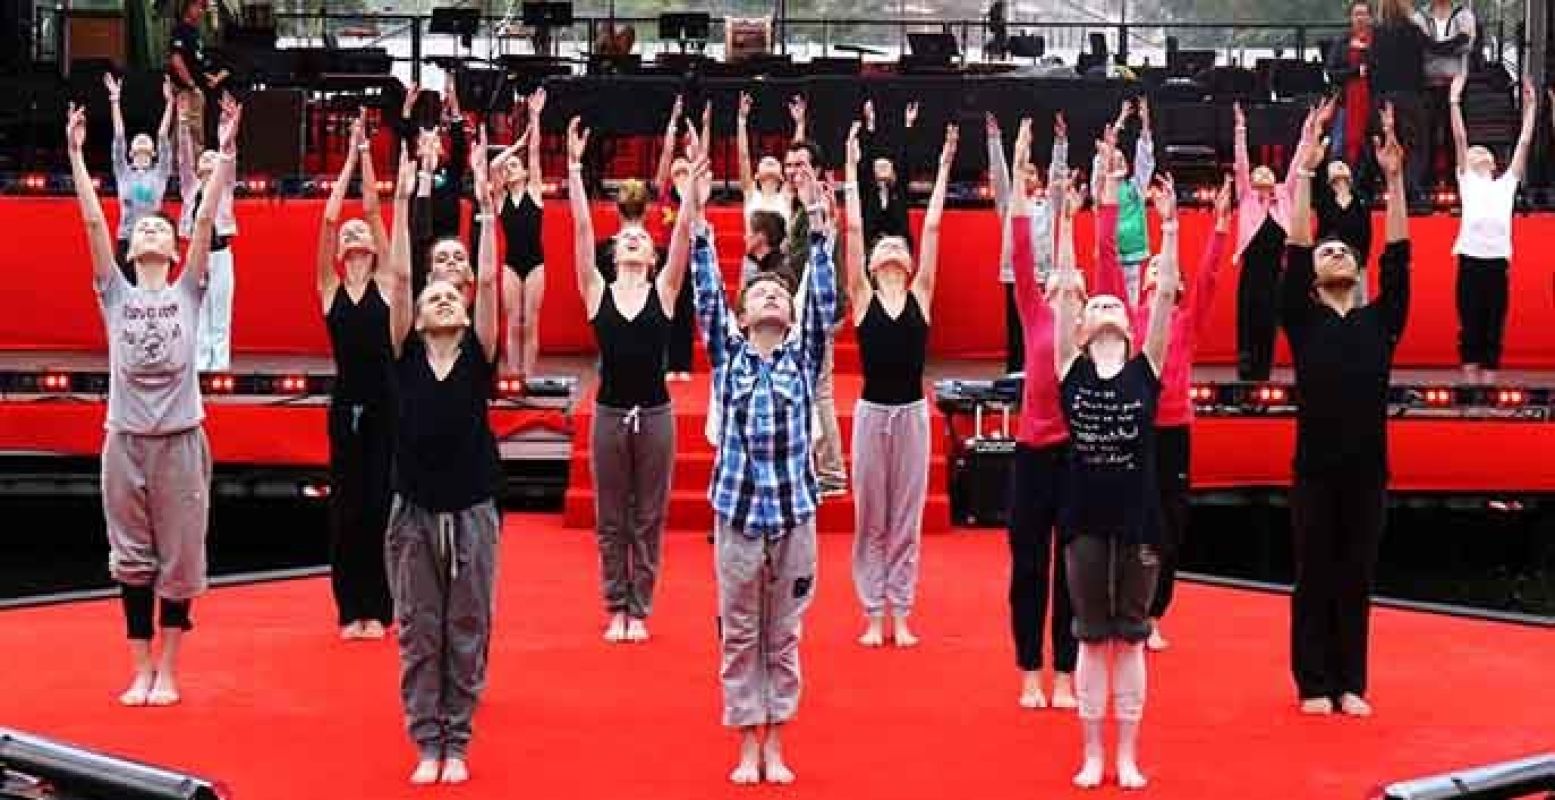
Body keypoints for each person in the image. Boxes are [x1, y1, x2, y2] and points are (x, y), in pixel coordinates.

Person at [66, 95, 239, 706]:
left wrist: (224, 146)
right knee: (131, 558)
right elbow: (93, 224)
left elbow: (207, 209)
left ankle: (169, 668)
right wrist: (75, 156)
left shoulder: (190, 288)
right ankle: (139, 668)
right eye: (142, 227)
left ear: (172, 246)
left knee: (180, 557)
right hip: (125, 440)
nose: (149, 231)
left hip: (181, 440)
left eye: (160, 228)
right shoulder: (113, 292)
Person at [694, 157, 837, 786]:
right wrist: (698, 221)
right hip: (738, 515)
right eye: (760, 292)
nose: (773, 295)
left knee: (783, 635)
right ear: (744, 313)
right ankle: (743, 740)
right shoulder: (729, 357)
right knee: (739, 632)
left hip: (794, 515)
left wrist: (818, 224)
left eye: (781, 291)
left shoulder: (803, 357)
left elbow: (824, 302)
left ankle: (776, 740)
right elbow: (704, 298)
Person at [1050, 140, 1180, 792]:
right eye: (1094, 308)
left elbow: (1161, 305)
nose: (1103, 308)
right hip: (1082, 522)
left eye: (1113, 306)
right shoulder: (1068, 371)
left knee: (1129, 636)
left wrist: (1172, 227)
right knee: (1089, 635)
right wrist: (1071, 218)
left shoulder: (1143, 370)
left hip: (1137, 522)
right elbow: (1069, 288)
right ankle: (1092, 752)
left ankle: (1126, 752)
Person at [383, 129, 504, 786]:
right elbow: (400, 276)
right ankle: (424, 741)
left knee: (465, 627)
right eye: (435, 296)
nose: (444, 297)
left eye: (451, 296)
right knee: (418, 631)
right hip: (413, 511)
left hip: (472, 509)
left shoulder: (477, 357)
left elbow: (484, 281)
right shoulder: (404, 352)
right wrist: (405, 198)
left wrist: (484, 207)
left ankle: (457, 740)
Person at [1282, 103, 1410, 718]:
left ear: (1358, 269)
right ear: (1312, 276)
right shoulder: (1304, 322)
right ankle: (1312, 682)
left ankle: (1351, 682)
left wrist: (1394, 182)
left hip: (1367, 470)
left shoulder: (1378, 322)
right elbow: (1294, 245)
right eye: (1325, 249)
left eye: (1343, 248)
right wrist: (1305, 171)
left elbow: (1401, 262)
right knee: (1314, 575)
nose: (1334, 251)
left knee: (1356, 576)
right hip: (1313, 469)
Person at [567, 116, 695, 644]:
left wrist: (691, 191)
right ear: (616, 251)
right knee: (611, 517)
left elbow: (685, 234)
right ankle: (614, 604)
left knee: (648, 516)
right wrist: (574, 168)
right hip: (611, 414)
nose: (636, 242)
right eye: (629, 238)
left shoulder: (664, 292)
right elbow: (578, 230)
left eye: (643, 239)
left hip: (657, 415)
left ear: (653, 253)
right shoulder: (596, 291)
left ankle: (639, 607)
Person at [1093, 175, 1233, 652]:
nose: (1157, 270)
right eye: (1152, 267)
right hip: (1132, 428)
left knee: (1169, 526)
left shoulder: (1185, 321)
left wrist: (1216, 228)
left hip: (1173, 429)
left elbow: (1211, 278)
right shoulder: (1128, 318)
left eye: (1164, 267)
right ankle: (1118, 605)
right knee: (1123, 519)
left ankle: (1152, 612)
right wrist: (1110, 198)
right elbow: (1107, 260)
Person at [843, 120, 955, 648]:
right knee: (871, 516)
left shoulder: (922, 295)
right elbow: (853, 231)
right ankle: (871, 611)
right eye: (883, 248)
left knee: (906, 517)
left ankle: (902, 611)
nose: (891, 250)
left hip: (911, 413)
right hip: (871, 414)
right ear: (871, 263)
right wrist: (849, 169)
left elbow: (930, 229)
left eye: (898, 248)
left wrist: (946, 167)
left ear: (909, 263)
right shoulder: (862, 297)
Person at [1002, 115, 1078, 710]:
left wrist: (1076, 214)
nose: (1067, 284)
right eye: (1060, 280)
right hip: (1032, 453)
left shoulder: (1097, 328)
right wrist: (1027, 195)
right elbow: (1026, 257)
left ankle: (1070, 673)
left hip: (1078, 457)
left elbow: (1097, 259)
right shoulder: (1035, 313)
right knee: (1029, 567)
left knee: (1073, 571)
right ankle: (1030, 668)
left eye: (1076, 282)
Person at [316, 110, 395, 641]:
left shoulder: (387, 282)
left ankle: (380, 609)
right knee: (348, 509)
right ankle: (351, 608)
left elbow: (370, 207)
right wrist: (345, 159)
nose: (354, 232)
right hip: (346, 406)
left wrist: (366, 152)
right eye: (350, 233)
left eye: (361, 231)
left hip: (386, 403)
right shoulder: (330, 287)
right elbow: (328, 218)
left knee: (381, 504)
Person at [1448, 74, 1537, 385]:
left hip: (1497, 263)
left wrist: (1531, 108)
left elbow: (1524, 142)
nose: (1477, 154)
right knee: (1470, 324)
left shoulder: (1506, 185)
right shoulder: (1466, 182)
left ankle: (1486, 386)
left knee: (1492, 325)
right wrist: (1454, 100)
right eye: (1474, 154)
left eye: (1482, 153)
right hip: (1470, 261)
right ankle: (1472, 388)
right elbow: (1459, 137)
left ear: (1492, 163)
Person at [1233, 100, 1320, 381]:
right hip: (1251, 273)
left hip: (1275, 274)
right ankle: (1246, 373)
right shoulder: (1246, 197)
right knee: (1248, 322)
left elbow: (1297, 160)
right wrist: (1240, 128)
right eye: (1259, 172)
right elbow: (1242, 163)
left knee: (1270, 323)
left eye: (1268, 171)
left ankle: (1264, 374)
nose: (1263, 174)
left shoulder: (1284, 195)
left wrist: (1309, 128)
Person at [987, 113, 1066, 374]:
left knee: (1043, 326)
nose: (1028, 175)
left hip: (1043, 274)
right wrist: (994, 140)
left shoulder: (1049, 205)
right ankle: (1015, 376)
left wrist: (1060, 142)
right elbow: (1000, 176)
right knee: (1016, 329)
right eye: (1025, 171)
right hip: (1014, 274)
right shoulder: (1009, 203)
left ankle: (1043, 371)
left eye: (1033, 172)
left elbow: (1058, 177)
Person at [483, 89, 547, 379]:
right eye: (509, 168)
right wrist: (514, 145)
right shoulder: (500, 199)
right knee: (513, 322)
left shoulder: (535, 192)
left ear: (524, 173)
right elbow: (493, 165)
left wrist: (534, 117)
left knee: (530, 322)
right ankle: (513, 377)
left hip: (535, 263)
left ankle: (529, 377)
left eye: (514, 165)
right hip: (511, 264)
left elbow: (534, 154)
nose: (509, 168)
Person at [177, 92, 239, 372]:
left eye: (213, 158)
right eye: (205, 157)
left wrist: (227, 126)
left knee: (220, 308)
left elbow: (229, 155)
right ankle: (201, 364)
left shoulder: (224, 187)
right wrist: (182, 122)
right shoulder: (190, 188)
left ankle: (220, 364)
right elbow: (184, 157)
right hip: (197, 254)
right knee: (199, 309)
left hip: (221, 252)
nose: (208, 160)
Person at [650, 95, 710, 381]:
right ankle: (663, 364)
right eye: (676, 170)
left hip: (687, 257)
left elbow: (700, 162)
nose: (678, 172)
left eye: (684, 170)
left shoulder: (694, 196)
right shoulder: (663, 192)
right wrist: (673, 123)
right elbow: (665, 153)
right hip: (663, 255)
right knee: (664, 309)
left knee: (684, 310)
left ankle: (681, 365)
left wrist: (697, 140)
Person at [104, 74, 175, 282]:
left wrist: (170, 102)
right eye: (137, 142)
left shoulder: (160, 174)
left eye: (147, 142)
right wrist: (115, 101)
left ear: (153, 153)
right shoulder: (123, 172)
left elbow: (163, 136)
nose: (142, 141)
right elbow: (118, 137)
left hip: (153, 240)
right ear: (131, 152)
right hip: (127, 239)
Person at [1090, 99, 1155, 304]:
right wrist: (1118, 123)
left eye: (1121, 159)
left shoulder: (1135, 188)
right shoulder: (1099, 189)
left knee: (1131, 304)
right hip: (1110, 254)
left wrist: (1145, 124)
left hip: (1132, 254)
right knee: (1108, 301)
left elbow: (1144, 160)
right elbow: (1101, 162)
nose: (1117, 161)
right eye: (1113, 159)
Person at [1368, 0, 1428, 206]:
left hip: (1384, 98)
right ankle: (1413, 190)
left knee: (1388, 143)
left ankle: (1391, 187)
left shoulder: (1376, 33)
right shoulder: (1414, 31)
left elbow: (1372, 67)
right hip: (1410, 96)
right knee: (1415, 145)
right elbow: (1422, 62)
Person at [1419, 0, 1476, 191]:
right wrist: (1453, 43)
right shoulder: (1420, 16)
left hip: (1456, 85)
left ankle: (1457, 181)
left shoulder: (1464, 15)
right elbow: (1421, 48)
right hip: (1429, 85)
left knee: (1456, 135)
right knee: (1428, 134)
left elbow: (1466, 45)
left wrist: (1434, 47)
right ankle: (1427, 184)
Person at [857, 98, 918, 250]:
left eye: (886, 166)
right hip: (872, 244)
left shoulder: (899, 189)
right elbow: (866, 156)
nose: (883, 169)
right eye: (879, 166)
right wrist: (870, 124)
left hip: (898, 243)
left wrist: (908, 125)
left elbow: (905, 158)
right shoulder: (868, 189)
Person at [1313, 152, 1373, 305]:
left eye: (1343, 165)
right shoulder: (1324, 199)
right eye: (1334, 166)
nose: (1339, 166)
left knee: (1357, 308)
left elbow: (1369, 168)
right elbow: (1316, 174)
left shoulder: (1361, 198)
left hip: (1356, 263)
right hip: (1329, 262)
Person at [165, 0, 225, 151]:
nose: (201, 11)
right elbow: (177, 60)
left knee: (194, 133)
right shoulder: (180, 30)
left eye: (204, 7)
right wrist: (191, 84)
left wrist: (210, 77)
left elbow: (196, 63)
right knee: (187, 132)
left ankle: (187, 169)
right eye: (199, 6)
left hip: (196, 89)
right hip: (185, 90)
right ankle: (181, 171)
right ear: (188, 7)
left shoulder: (195, 33)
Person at [1325, 2, 1375, 176]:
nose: (1360, 18)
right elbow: (1331, 73)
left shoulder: (1377, 41)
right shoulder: (1341, 42)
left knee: (1373, 147)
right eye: (1356, 14)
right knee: (1338, 148)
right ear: (1351, 18)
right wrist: (1355, 72)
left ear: (1370, 18)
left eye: (1363, 14)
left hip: (1373, 103)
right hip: (1346, 104)